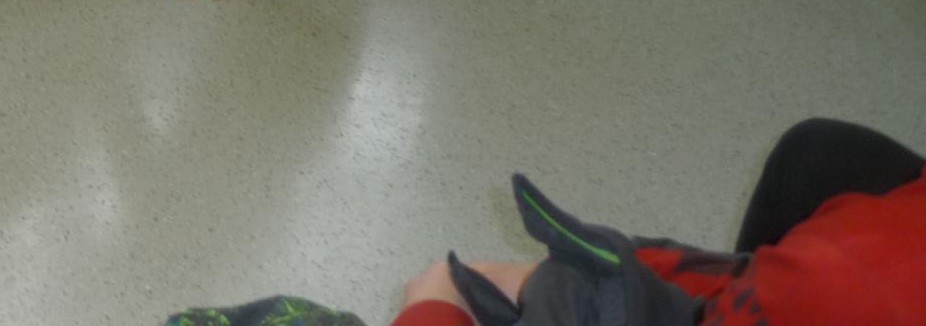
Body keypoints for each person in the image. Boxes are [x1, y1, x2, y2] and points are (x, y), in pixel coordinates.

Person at [390, 117, 926, 326]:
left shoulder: (860, 276)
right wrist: (616, 274)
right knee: (820, 155)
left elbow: (842, 286)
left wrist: (434, 309)